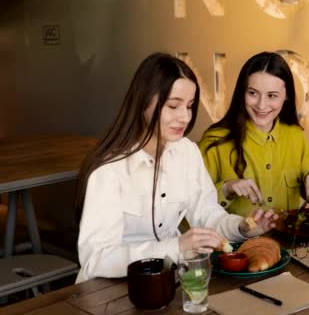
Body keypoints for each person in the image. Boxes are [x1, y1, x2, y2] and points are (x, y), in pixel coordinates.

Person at [74, 52, 277, 283]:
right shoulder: (110, 170)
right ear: (143, 102)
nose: (185, 117)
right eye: (173, 106)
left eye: (190, 106)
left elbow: (206, 214)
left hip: (172, 281)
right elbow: (95, 259)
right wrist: (176, 246)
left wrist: (241, 227)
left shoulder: (187, 152)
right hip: (111, 290)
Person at [199, 52, 309, 217]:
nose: (261, 105)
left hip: (285, 241)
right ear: (242, 93)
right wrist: (226, 188)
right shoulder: (215, 140)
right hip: (235, 242)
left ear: (286, 97)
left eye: (272, 96)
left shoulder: (295, 135)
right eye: (253, 93)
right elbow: (191, 208)